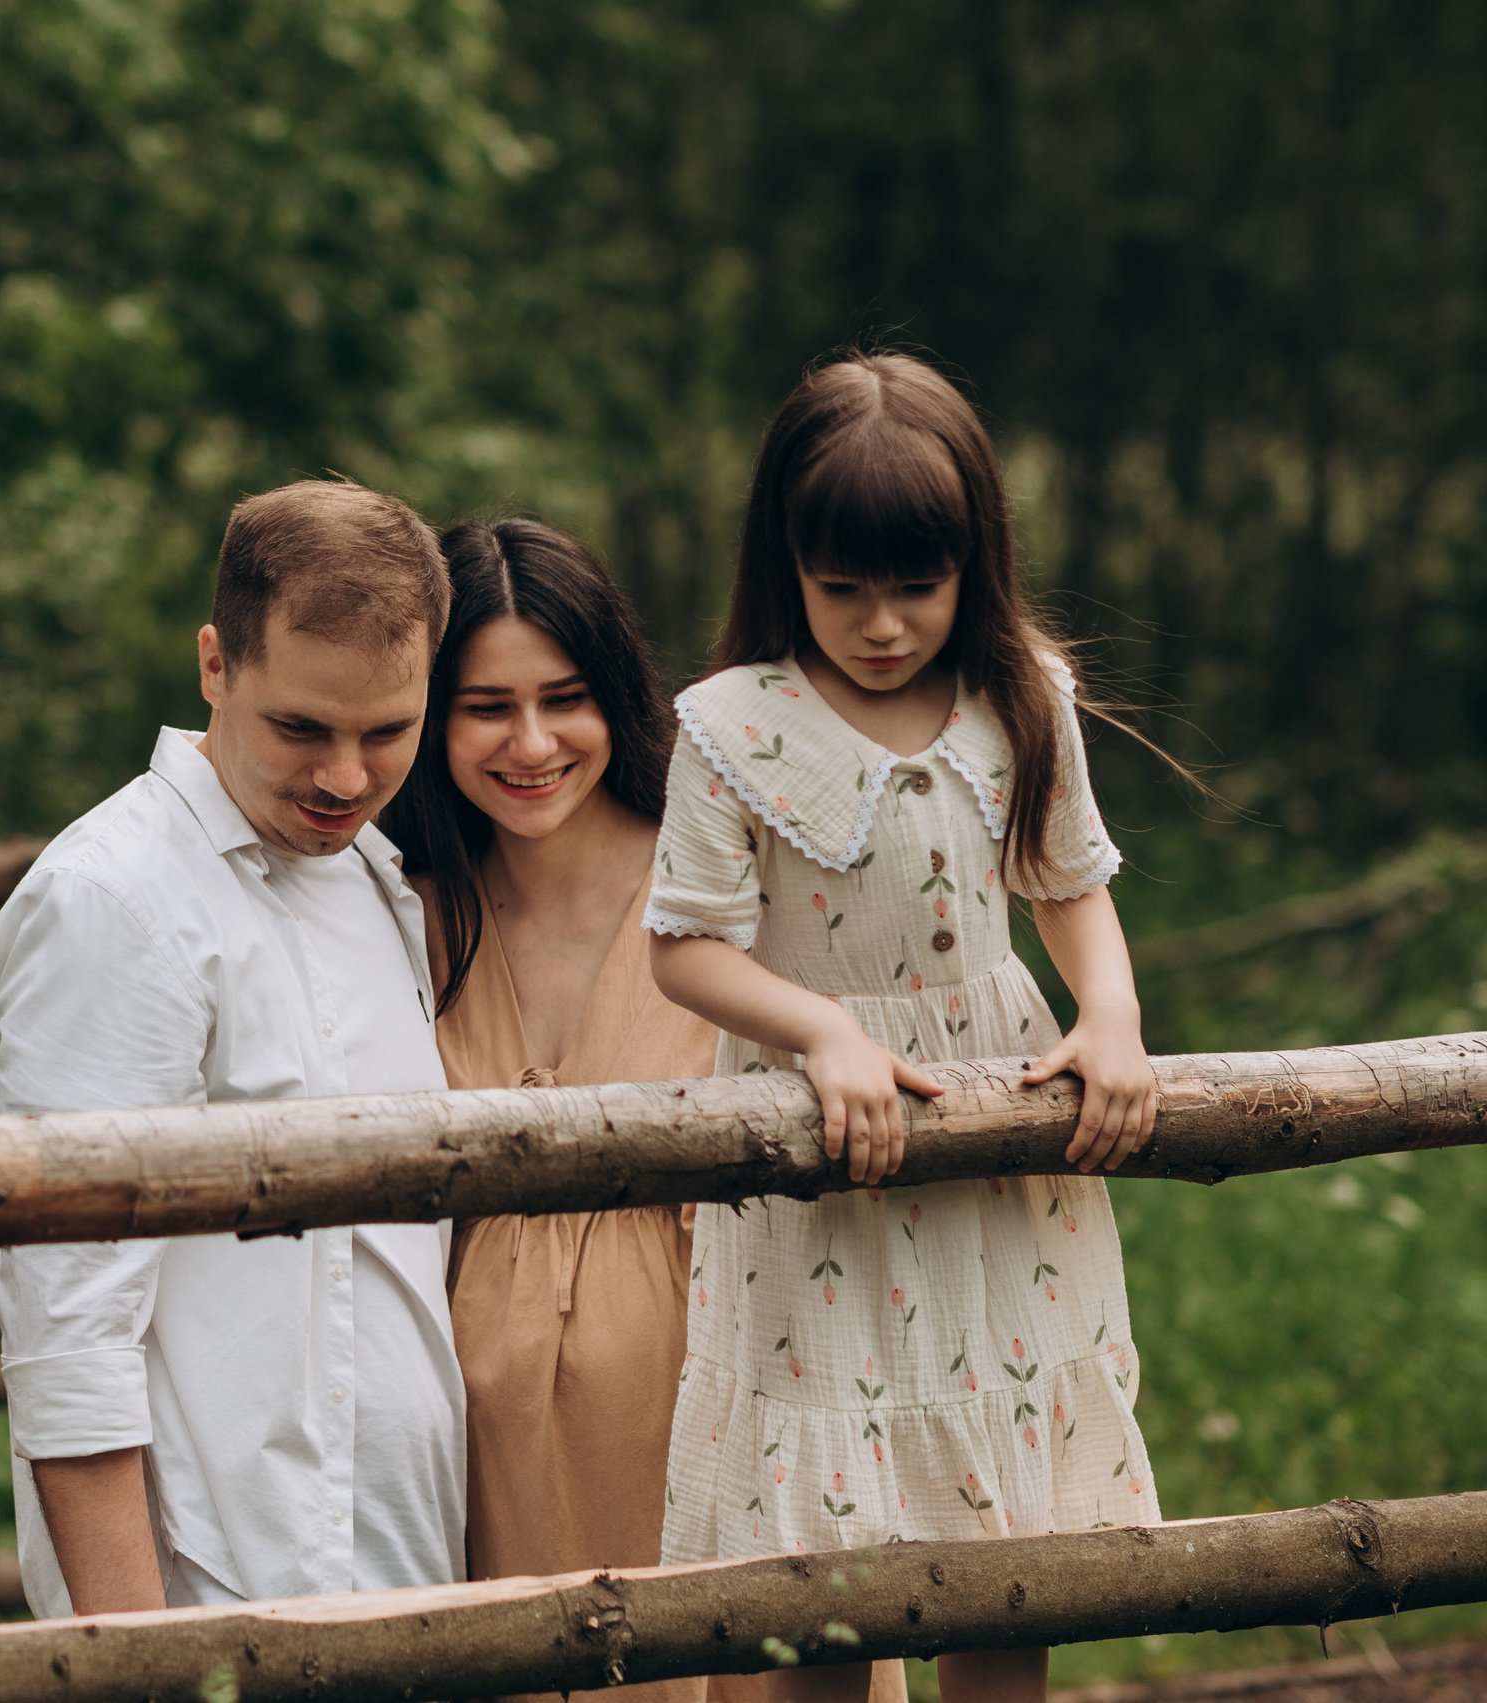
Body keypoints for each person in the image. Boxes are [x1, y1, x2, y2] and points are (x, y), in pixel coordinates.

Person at [644, 352, 1162, 1703]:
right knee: (827, 1569)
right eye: (843, 586)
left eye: (915, 586)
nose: (881, 624)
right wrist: (818, 1028)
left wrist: (1108, 1016)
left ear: (971, 562)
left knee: (1004, 1548)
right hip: (820, 1146)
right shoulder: (730, 724)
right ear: (788, 561)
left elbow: (1071, 884)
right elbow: (685, 945)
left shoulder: (1022, 696)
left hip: (994, 1137)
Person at [381, 519, 905, 1703]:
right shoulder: (399, 913)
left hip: (726, 1405)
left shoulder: (725, 878)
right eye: (483, 707)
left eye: (563, 698)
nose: (529, 742)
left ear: (617, 692)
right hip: (488, 1444)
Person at [0, 477, 466, 1619]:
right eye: (300, 727)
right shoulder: (114, 899)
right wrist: (139, 1654)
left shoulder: (376, 879)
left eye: (387, 731)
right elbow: (68, 1321)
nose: (344, 777)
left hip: (404, 1560)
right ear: (214, 664)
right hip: (213, 1586)